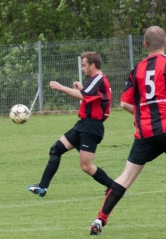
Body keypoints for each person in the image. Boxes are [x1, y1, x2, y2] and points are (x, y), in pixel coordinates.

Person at [89, 26, 166, 235]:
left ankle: (100, 219)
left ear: (144, 45)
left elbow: (124, 103)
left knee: (125, 177)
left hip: (145, 133)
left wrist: (144, 114)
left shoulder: (137, 70)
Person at [27, 51, 113, 197]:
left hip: (91, 127)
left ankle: (113, 187)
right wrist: (80, 88)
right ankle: (42, 187)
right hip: (83, 124)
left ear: (93, 65)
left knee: (86, 166)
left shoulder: (99, 78)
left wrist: (61, 87)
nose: (83, 68)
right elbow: (89, 96)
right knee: (56, 149)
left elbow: (84, 96)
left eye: (84, 65)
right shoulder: (95, 79)